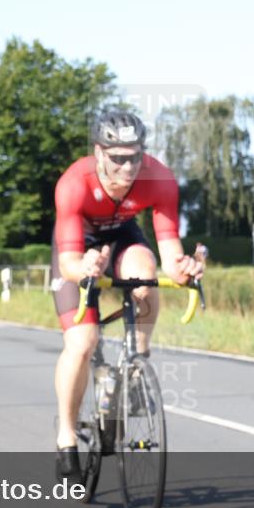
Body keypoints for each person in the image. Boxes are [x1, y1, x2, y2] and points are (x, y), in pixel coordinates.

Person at [50, 110, 204, 481]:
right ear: (99, 152)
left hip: (121, 237)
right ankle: (67, 435)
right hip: (77, 248)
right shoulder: (74, 184)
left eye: (135, 156)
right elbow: (69, 263)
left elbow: (169, 255)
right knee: (83, 342)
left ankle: (136, 360)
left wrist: (184, 270)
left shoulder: (159, 178)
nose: (128, 167)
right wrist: (86, 267)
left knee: (145, 273)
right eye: (118, 158)